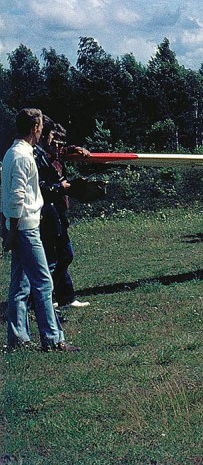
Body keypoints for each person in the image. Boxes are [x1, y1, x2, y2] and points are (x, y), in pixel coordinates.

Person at [2, 108, 78, 352]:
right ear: (35, 128)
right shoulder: (22, 157)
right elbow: (16, 199)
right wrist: (13, 233)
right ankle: (53, 340)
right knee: (43, 283)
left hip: (19, 226)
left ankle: (18, 337)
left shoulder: (14, 153)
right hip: (25, 227)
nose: (43, 130)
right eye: (41, 126)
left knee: (20, 285)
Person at [35, 119, 90, 309]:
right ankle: (46, 299)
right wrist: (60, 187)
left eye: (61, 143)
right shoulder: (39, 158)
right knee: (51, 258)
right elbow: (40, 187)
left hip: (59, 213)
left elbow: (64, 150)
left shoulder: (57, 154)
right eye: (54, 141)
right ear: (45, 139)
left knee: (66, 255)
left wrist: (77, 149)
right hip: (46, 214)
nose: (58, 146)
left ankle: (64, 296)